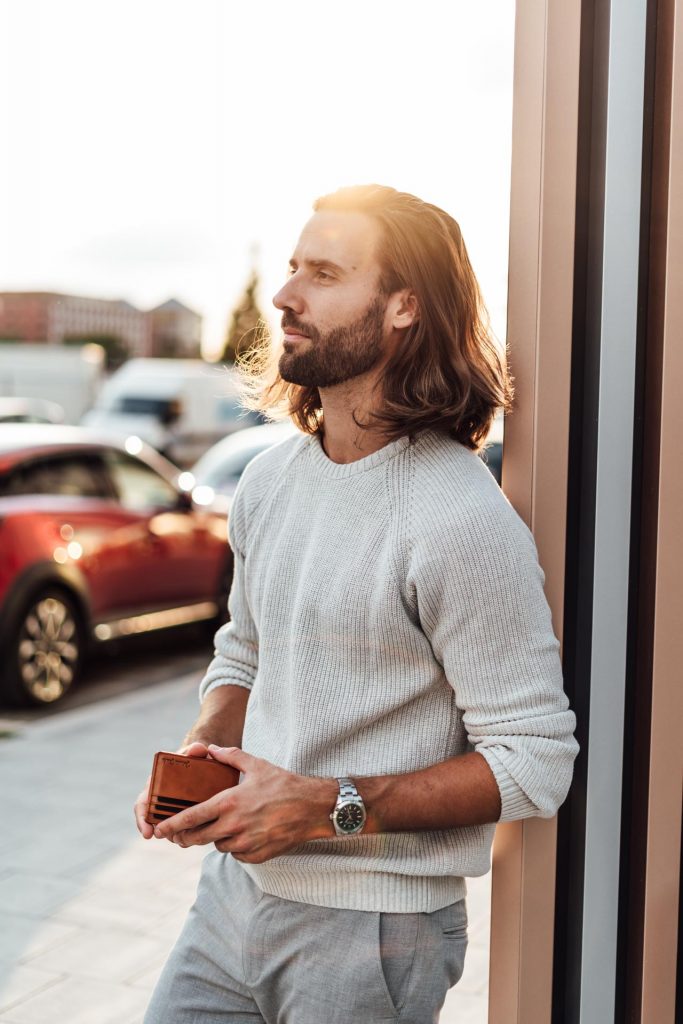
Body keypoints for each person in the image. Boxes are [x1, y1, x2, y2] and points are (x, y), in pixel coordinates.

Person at [135, 184, 579, 1023]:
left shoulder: (457, 518)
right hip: (230, 897)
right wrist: (203, 758)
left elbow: (533, 759)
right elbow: (245, 648)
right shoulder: (268, 480)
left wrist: (322, 805)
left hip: (373, 931)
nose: (284, 295)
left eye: (325, 273)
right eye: (293, 267)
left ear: (403, 306)